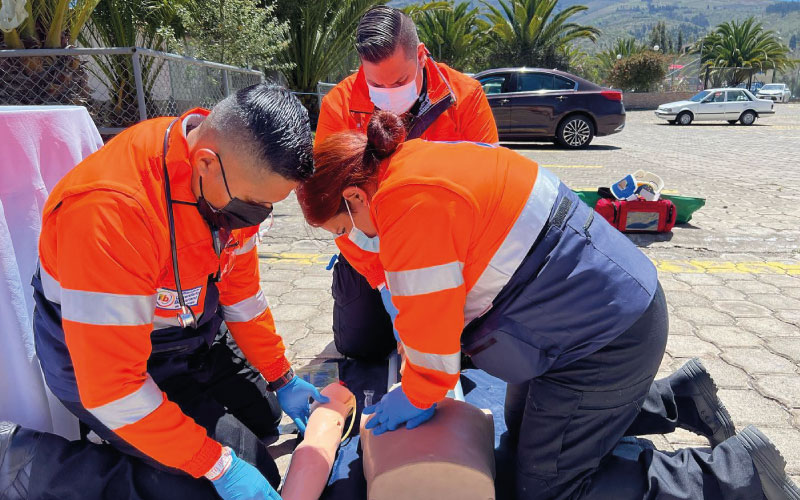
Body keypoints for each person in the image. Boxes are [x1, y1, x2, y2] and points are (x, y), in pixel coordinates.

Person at [296, 110, 800, 500]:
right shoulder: (411, 165)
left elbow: (431, 340)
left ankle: (737, 474)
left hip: (604, 338)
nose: (351, 239)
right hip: (597, 314)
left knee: (548, 488)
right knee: (525, 436)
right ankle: (681, 398)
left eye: (343, 228)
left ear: (356, 196)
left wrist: (419, 390)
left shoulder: (407, 205)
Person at [30, 84, 328, 500]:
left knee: (267, 415)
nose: (254, 220)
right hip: (102, 359)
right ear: (205, 162)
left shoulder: (229, 189)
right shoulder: (111, 211)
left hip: (189, 335)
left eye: (266, 209)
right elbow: (113, 388)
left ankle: (192, 412)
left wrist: (281, 376)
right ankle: (25, 462)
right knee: (217, 481)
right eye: (251, 208)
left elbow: (242, 296)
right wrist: (217, 466)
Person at [316, 5, 498, 361]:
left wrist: (439, 282)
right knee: (360, 347)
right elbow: (335, 210)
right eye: (375, 84)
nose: (387, 94)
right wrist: (387, 282)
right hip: (374, 254)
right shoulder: (338, 106)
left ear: (420, 54)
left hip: (449, 253)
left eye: (399, 82)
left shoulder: (466, 97)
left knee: (471, 346)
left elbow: (487, 192)